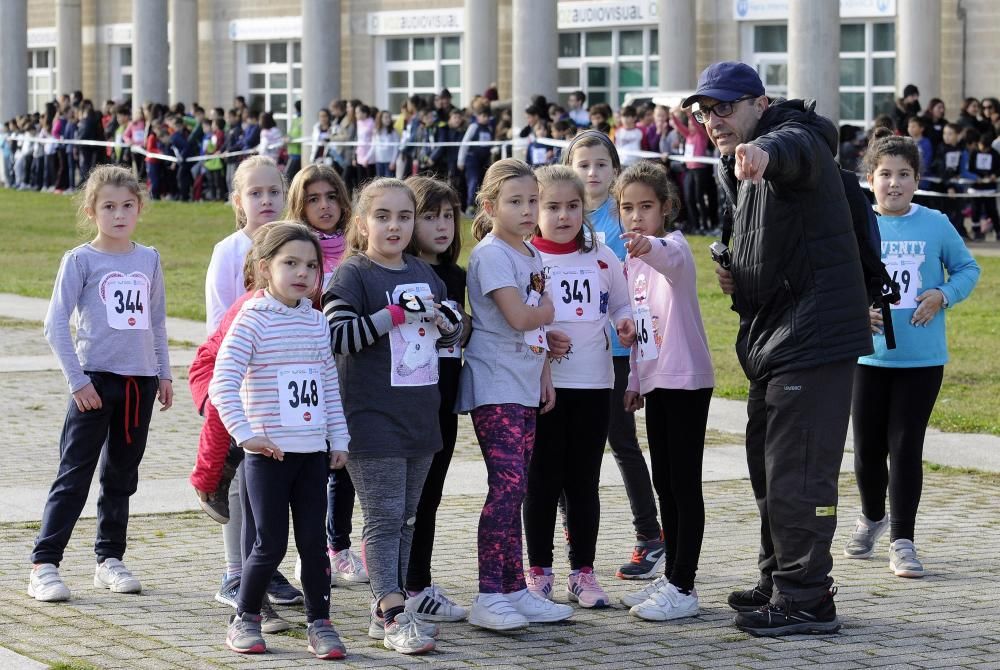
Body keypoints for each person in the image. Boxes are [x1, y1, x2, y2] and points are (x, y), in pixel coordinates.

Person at [687, 61, 871, 635]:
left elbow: (797, 148)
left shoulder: (797, 137)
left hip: (813, 337)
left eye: (725, 107)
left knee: (801, 472)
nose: (713, 120)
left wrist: (767, 154)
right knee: (769, 468)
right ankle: (778, 578)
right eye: (703, 110)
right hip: (774, 335)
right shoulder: (731, 165)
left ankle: (807, 597)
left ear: (758, 104)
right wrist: (736, 272)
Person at [323, 178, 464, 654]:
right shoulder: (353, 275)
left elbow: (448, 341)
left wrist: (449, 326)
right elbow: (338, 337)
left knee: (406, 518)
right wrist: (392, 315)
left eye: (404, 216)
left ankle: (387, 601)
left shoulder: (426, 273)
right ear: (362, 224)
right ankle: (392, 611)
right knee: (383, 519)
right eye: (382, 216)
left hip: (420, 415)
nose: (394, 225)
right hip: (369, 418)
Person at [29, 165, 173, 602]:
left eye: (127, 205)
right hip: (93, 384)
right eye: (108, 206)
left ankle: (109, 558)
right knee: (74, 475)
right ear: (91, 211)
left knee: (121, 476)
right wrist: (78, 382)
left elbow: (156, 320)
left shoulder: (148, 258)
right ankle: (44, 564)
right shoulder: (81, 260)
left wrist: (162, 371)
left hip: (139, 384)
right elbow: (55, 324)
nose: (119, 214)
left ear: (139, 209)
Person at [210, 222, 349, 660]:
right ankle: (246, 618)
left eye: (311, 265)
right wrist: (246, 434)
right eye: (290, 263)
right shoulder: (251, 318)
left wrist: (338, 438)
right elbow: (222, 384)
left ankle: (319, 623)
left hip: (312, 455)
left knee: (313, 544)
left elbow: (328, 384)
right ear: (264, 267)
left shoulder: (315, 321)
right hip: (268, 457)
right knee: (268, 544)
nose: (303, 273)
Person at [844, 133, 980, 579]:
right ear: (870, 179)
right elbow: (836, 278)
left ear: (917, 180)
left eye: (904, 175)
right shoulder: (857, 224)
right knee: (866, 449)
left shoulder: (936, 224)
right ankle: (871, 518)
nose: (895, 183)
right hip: (867, 357)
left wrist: (942, 293)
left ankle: (903, 539)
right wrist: (855, 310)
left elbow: (967, 269)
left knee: (905, 447)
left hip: (921, 360)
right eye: (886, 174)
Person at [456, 158, 574, 632]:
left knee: (517, 487)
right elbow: (521, 318)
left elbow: (535, 331)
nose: (528, 210)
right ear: (489, 206)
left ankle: (514, 590)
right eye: (516, 202)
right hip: (495, 385)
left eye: (533, 202)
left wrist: (545, 371)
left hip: (525, 384)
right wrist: (546, 309)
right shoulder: (491, 255)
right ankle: (489, 594)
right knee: (505, 489)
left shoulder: (530, 253)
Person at [522, 165, 634, 609]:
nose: (564, 216)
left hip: (594, 384)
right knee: (542, 479)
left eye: (572, 207)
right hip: (543, 388)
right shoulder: (527, 258)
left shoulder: (604, 256)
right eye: (552, 207)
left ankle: (583, 572)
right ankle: (539, 571)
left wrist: (624, 322)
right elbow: (512, 318)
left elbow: (622, 303)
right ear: (536, 209)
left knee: (584, 480)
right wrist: (542, 338)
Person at [612, 162, 715, 621]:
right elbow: (639, 334)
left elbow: (666, 257)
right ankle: (671, 574)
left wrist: (645, 244)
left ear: (666, 209)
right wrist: (634, 381)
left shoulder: (672, 248)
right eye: (627, 209)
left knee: (683, 484)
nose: (636, 217)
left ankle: (684, 586)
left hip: (686, 380)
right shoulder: (630, 266)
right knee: (664, 483)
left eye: (646, 207)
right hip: (656, 383)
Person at [562, 130, 665, 580]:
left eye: (601, 164)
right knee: (564, 446)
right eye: (583, 164)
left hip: (617, 351)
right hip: (566, 356)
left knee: (622, 443)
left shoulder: (619, 222)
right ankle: (572, 532)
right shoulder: (557, 216)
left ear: (615, 170)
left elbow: (637, 284)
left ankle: (651, 536)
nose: (592, 173)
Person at [203, 156, 302, 609]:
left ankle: (265, 565)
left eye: (274, 192)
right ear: (238, 202)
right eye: (255, 193)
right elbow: (224, 321)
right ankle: (232, 572)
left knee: (270, 481)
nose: (266, 200)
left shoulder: (292, 244)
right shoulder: (230, 250)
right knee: (239, 480)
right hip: (240, 379)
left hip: (282, 384)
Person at [285, 164, 368, 583]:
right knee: (314, 466)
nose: (324, 206)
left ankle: (340, 544)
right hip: (307, 371)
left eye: (331, 197)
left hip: (353, 372)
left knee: (344, 460)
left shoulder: (358, 248)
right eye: (314, 199)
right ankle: (312, 547)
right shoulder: (294, 248)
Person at [402, 175, 472, 622]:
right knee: (402, 501)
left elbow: (461, 336)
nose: (442, 226)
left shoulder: (456, 275)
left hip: (443, 400)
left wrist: (460, 323)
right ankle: (403, 584)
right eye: (430, 217)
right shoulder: (403, 272)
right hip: (405, 398)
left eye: (448, 216)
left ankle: (418, 581)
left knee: (430, 496)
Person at [672, 108, 719, 234]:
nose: (690, 126)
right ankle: (695, 225)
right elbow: (678, 125)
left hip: (700, 170)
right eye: (689, 124)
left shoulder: (702, 135)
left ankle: (705, 225)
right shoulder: (688, 136)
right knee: (689, 198)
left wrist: (689, 113)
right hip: (689, 170)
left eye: (692, 124)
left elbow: (698, 126)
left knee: (699, 198)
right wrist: (672, 114)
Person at [457, 101, 494, 216]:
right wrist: (461, 160)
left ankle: (481, 205)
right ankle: (470, 205)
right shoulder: (473, 127)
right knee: (473, 182)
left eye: (487, 116)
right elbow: (465, 143)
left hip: (484, 160)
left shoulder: (489, 129)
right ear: (478, 117)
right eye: (483, 116)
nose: (485, 118)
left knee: (483, 182)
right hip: (472, 159)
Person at [372, 110, 400, 178]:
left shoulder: (393, 131)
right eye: (386, 117)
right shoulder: (376, 131)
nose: (388, 119)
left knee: (389, 184)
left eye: (389, 117)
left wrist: (393, 161)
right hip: (379, 161)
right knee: (380, 183)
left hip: (389, 162)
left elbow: (396, 147)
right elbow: (373, 147)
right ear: (380, 118)